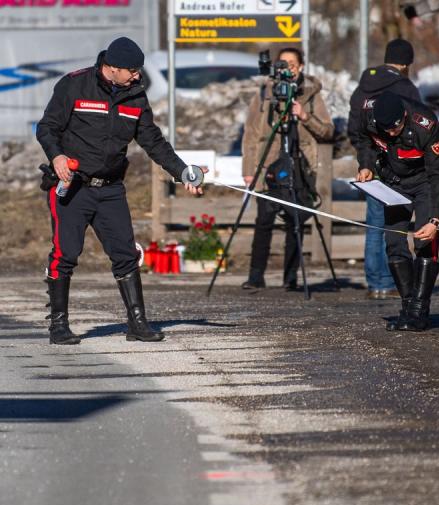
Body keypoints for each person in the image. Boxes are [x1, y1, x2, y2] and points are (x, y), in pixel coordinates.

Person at [36, 37, 204, 345]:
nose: (138, 76)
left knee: (126, 255)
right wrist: (57, 156)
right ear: (112, 68)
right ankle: (59, 325)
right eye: (133, 70)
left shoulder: (136, 96)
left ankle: (137, 324)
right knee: (66, 253)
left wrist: (182, 172)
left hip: (111, 188)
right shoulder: (74, 85)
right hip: (72, 187)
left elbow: (153, 141)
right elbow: (47, 128)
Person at [354, 91, 439, 331]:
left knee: (424, 241)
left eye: (395, 128)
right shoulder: (368, 113)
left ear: (405, 116)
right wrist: (366, 165)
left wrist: (435, 220)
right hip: (394, 182)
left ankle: (420, 311)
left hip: (426, 182)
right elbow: (363, 140)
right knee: (394, 242)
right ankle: (408, 307)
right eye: (385, 130)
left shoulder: (425, 125)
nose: (390, 133)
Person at [241, 47, 334, 291]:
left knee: (296, 219)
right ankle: (255, 276)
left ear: (301, 66)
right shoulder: (265, 93)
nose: (287, 69)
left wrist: (304, 116)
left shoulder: (311, 94)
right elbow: (250, 133)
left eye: (292, 64)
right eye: (283, 64)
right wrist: (248, 168)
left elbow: (328, 130)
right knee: (264, 220)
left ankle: (291, 276)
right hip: (267, 166)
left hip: (299, 165)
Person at [348, 39, 423, 300]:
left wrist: (366, 162)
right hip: (398, 165)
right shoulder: (405, 87)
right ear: (405, 64)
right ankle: (391, 279)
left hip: (370, 164)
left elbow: (356, 132)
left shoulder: (362, 89)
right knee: (395, 223)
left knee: (375, 223)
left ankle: (375, 281)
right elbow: (417, 126)